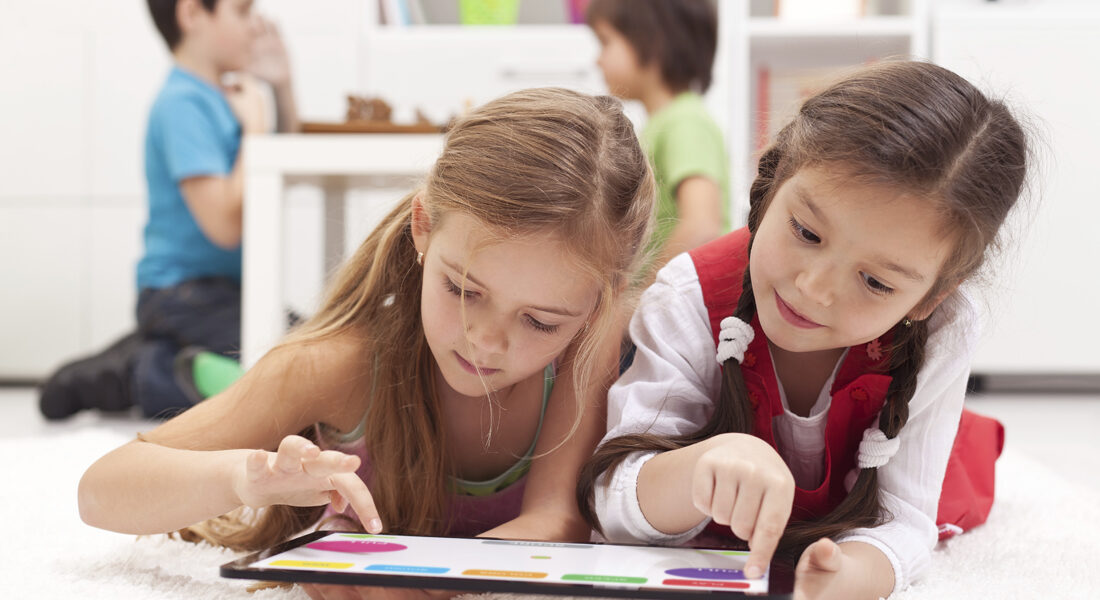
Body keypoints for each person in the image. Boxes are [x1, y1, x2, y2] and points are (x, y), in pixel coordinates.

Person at [79, 87, 655, 599]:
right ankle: (157, 365)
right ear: (423, 226)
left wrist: (423, 580)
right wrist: (245, 478)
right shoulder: (335, 365)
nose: (485, 341)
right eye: (462, 290)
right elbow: (100, 491)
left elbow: (556, 521)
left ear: (600, 302)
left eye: (540, 323)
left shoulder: (591, 344)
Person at [577, 60, 1028, 600]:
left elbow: (906, 520)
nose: (814, 288)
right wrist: (700, 468)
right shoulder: (688, 295)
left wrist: (850, 574)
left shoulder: (944, 327)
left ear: (931, 297)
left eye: (876, 282)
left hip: (898, 463)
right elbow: (613, 499)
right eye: (806, 232)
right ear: (771, 182)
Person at [38, 0, 298, 420]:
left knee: (315, 350)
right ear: (192, 14)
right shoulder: (183, 104)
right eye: (242, 11)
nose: (255, 26)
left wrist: (281, 88)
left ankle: (164, 354)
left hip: (223, 292)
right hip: (182, 294)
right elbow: (224, 227)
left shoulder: (223, 98)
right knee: (295, 367)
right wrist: (254, 129)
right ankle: (141, 370)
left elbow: (280, 171)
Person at [588, 0, 729, 284]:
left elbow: (701, 225)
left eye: (605, 42)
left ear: (651, 41)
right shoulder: (661, 124)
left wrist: (643, 298)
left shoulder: (685, 121)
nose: (597, 59)